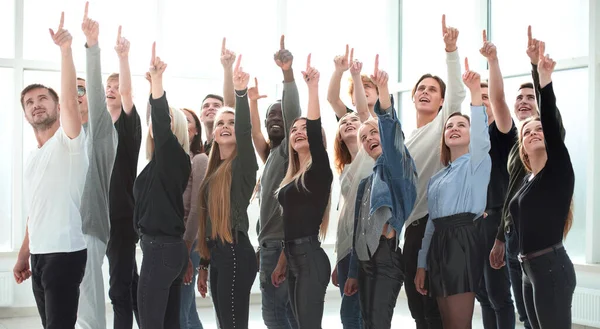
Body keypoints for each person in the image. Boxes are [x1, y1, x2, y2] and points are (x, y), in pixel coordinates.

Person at [487, 27, 566, 329]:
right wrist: (499, 238)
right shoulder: (515, 142)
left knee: (543, 315)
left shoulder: (548, 137)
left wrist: (535, 68)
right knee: (525, 314)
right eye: (518, 97)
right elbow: (511, 197)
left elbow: (549, 109)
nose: (522, 101)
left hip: (539, 235)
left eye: (528, 97)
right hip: (511, 235)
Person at [13, 12, 88, 329]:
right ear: (26, 113)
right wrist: (23, 254)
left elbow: (72, 101)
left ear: (57, 107)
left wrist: (66, 50)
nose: (35, 104)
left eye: (43, 98)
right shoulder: (32, 157)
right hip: (40, 255)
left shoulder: (69, 141)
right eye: (29, 102)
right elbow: (35, 211)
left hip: (65, 253)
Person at [415, 58, 491, 329]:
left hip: (463, 241)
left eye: (461, 125)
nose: (454, 128)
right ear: (443, 137)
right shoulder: (436, 178)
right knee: (446, 323)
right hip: (439, 244)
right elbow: (430, 227)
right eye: (449, 126)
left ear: (471, 134)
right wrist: (422, 264)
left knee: (460, 324)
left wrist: (473, 93)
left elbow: (483, 137)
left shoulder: (477, 164)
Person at [343, 57, 418, 329]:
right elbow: (357, 232)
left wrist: (383, 94)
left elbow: (390, 130)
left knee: (377, 324)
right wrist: (352, 272)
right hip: (363, 261)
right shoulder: (366, 183)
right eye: (364, 138)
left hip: (386, 258)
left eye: (372, 133)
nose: (369, 139)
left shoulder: (396, 166)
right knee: (366, 323)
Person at [403, 15, 465, 329]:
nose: (425, 92)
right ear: (413, 96)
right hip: (411, 231)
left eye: (432, 89)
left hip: (436, 228)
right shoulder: (406, 140)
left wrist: (451, 51)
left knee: (437, 312)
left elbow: (457, 95)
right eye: (421, 88)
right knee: (418, 312)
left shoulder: (442, 126)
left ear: (441, 102)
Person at [509, 42, 577, 329]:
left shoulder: (557, 170)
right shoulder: (527, 180)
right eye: (527, 131)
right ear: (522, 146)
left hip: (551, 268)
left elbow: (549, 119)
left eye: (539, 130)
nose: (534, 132)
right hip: (528, 269)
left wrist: (542, 76)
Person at [196, 54, 259, 329]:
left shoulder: (243, 164)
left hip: (235, 250)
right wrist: (204, 264)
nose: (224, 126)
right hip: (218, 253)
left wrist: (240, 93)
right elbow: (209, 219)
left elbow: (245, 132)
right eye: (220, 123)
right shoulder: (213, 170)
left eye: (230, 123)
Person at [271, 54, 333, 329]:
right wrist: (283, 262)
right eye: (293, 129)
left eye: (304, 129)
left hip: (310, 260)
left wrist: (312, 88)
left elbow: (314, 124)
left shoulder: (319, 170)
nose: (297, 132)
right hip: (295, 259)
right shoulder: (292, 176)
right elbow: (291, 223)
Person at [134, 43, 192, 329]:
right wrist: (151, 90)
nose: (157, 124)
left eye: (167, 122)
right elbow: (153, 116)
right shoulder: (160, 164)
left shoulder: (174, 158)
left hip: (161, 250)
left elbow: (158, 117)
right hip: (163, 249)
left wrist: (157, 82)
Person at [249, 35, 301, 329]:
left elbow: (293, 112)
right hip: (268, 245)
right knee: (286, 315)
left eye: (280, 114)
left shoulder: (289, 152)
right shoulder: (271, 155)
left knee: (275, 316)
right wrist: (254, 104)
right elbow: (257, 134)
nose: (274, 119)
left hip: (281, 246)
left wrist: (287, 73)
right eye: (271, 116)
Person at [77, 4, 119, 329]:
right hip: (59, 234)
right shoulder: (63, 138)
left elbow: (94, 90)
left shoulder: (102, 130)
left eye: (82, 89)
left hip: (89, 229)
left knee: (89, 314)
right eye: (72, 89)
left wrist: (92, 47)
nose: (79, 93)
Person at [475, 30, 517, 329]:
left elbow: (501, 101)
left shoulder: (501, 135)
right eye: (478, 98)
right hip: (473, 223)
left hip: (497, 220)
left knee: (498, 294)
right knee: (482, 294)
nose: (484, 102)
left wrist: (493, 61)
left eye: (485, 97)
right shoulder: (470, 142)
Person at [331, 58, 374, 329]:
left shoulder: (369, 158)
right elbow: (345, 220)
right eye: (343, 121)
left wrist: (355, 76)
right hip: (346, 253)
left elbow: (363, 111)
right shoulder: (345, 169)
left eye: (354, 120)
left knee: (353, 317)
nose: (349, 121)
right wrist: (339, 260)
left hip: (364, 251)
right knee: (352, 317)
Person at [106, 25, 143, 329]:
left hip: (121, 217)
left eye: (116, 85)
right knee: (130, 282)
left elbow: (128, 92)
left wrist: (123, 57)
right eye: (107, 85)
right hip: (100, 217)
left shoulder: (128, 126)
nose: (112, 88)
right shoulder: (97, 129)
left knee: (119, 287)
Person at [180, 108, 208, 329]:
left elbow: (197, 208)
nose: (179, 122)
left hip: (189, 242)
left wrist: (186, 249)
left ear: (195, 130)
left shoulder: (199, 160)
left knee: (181, 309)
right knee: (186, 309)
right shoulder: (169, 161)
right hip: (170, 241)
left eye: (185, 119)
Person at [327, 44, 377, 121]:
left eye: (367, 86)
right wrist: (338, 71)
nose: (362, 91)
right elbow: (333, 100)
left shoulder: (386, 121)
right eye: (356, 89)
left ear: (378, 94)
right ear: (353, 101)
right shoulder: (350, 120)